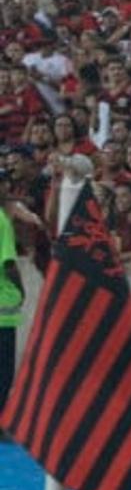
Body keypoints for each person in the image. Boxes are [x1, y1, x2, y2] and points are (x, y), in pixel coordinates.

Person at [0, 162, 21, 418]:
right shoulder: (2, 220)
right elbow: (8, 262)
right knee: (3, 370)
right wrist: (21, 288)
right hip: (3, 307)